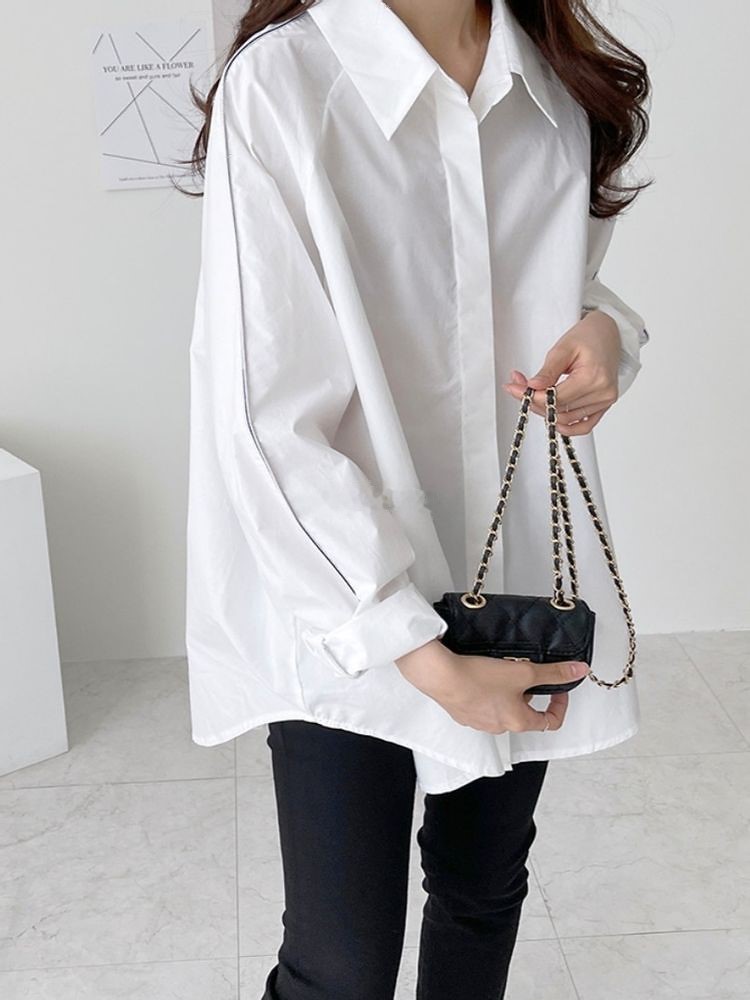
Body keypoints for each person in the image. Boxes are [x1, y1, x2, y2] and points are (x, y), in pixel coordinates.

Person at [183, 0, 652, 995]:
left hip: (510, 571)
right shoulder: (284, 86)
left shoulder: (557, 86)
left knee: (483, 890)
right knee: (341, 965)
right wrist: (419, 654)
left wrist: (609, 334)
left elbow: (559, 284)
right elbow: (264, 416)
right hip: (341, 595)